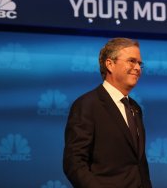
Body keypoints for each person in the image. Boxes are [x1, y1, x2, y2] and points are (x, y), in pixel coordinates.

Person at [63, 37, 152, 188]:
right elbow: (74, 163)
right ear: (110, 64)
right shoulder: (87, 105)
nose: (138, 68)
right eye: (131, 61)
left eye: (140, 63)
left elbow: (139, 164)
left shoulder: (135, 108)